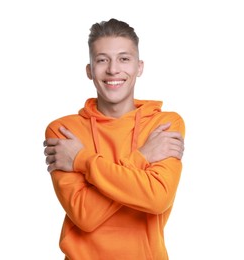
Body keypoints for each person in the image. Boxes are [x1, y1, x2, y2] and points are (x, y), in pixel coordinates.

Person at [43, 18, 185, 260]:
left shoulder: (163, 124)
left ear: (139, 67)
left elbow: (157, 199)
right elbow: (84, 215)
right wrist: (142, 158)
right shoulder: (64, 131)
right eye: (102, 60)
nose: (112, 69)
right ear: (89, 70)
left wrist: (82, 160)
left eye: (124, 58)